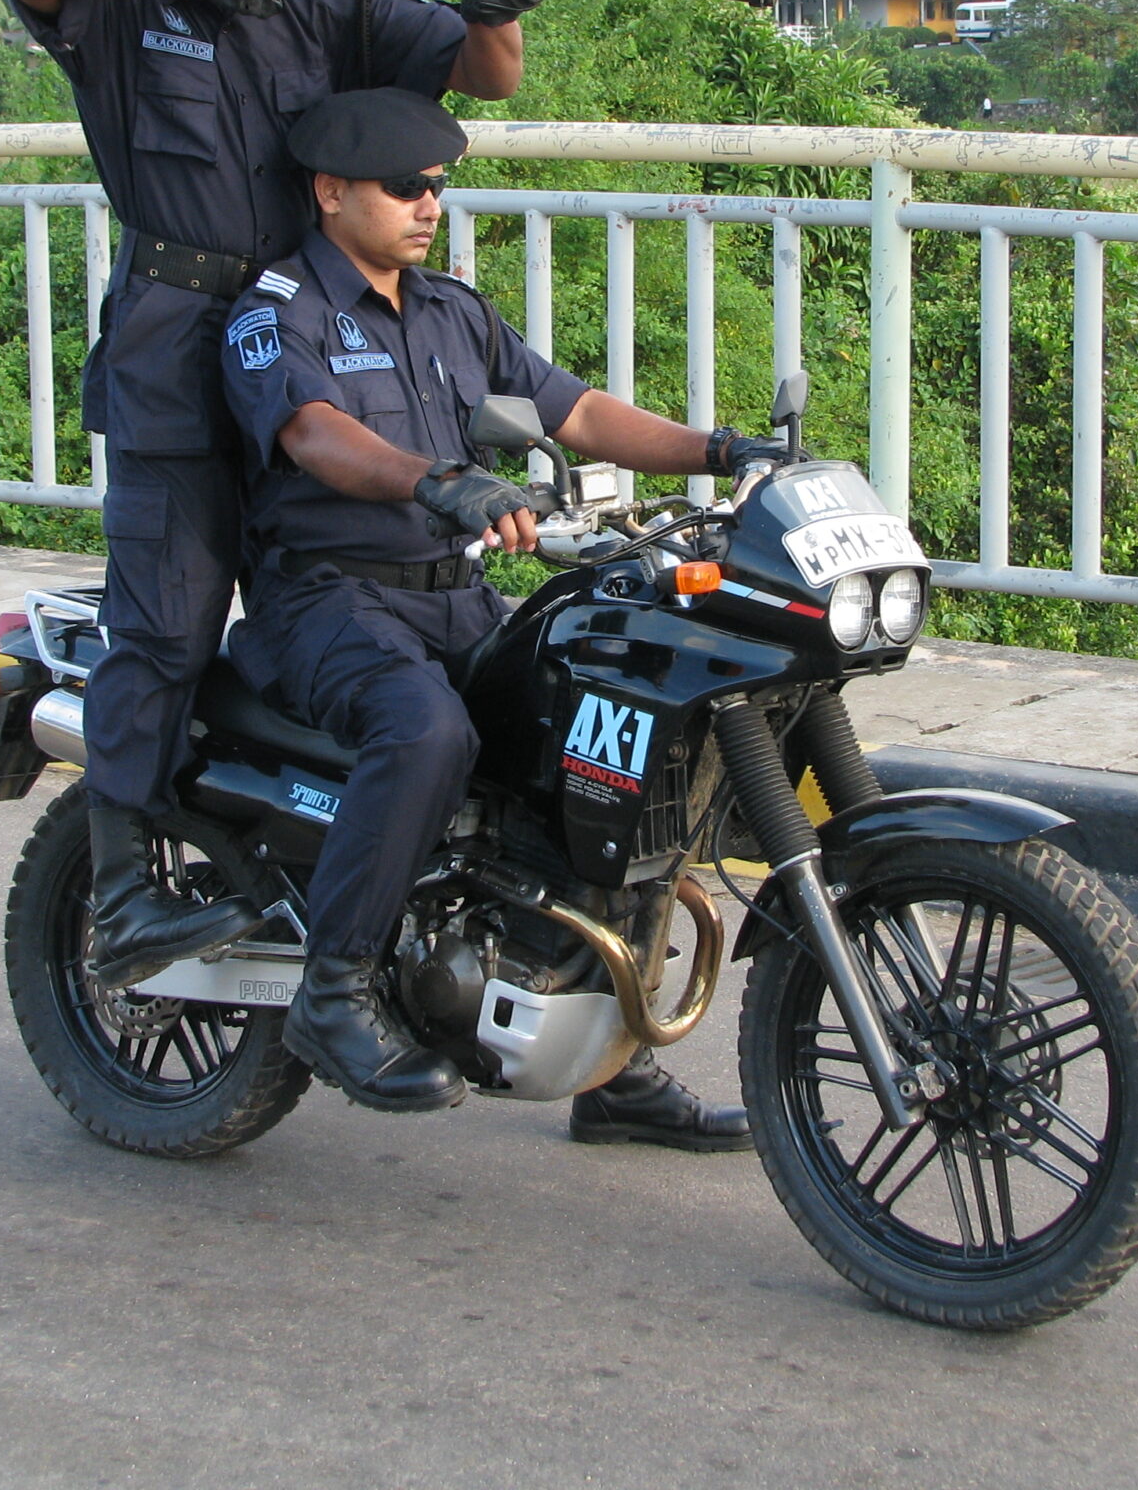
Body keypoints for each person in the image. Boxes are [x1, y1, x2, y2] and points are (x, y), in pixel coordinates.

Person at [0, 0, 549, 988]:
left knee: (416, 608)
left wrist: (497, 6)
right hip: (182, 344)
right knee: (169, 619)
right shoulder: (120, 2)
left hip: (317, 335)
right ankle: (129, 886)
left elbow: (482, 72)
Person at [219, 86, 787, 1145]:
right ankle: (331, 992)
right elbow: (314, 437)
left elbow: (575, 410)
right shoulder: (279, 309)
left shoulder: (450, 310)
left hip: (455, 596)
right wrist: (439, 481)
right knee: (424, 730)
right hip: (324, 600)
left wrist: (721, 450)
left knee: (603, 743)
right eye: (404, 186)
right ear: (331, 190)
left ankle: (605, 1068)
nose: (428, 202)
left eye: (437, 184)